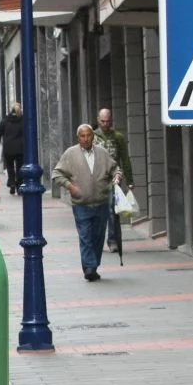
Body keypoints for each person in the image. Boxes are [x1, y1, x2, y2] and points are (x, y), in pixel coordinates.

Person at [51, 123, 119, 282]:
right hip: (81, 204)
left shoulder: (102, 152)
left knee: (98, 237)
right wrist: (70, 186)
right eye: (82, 136)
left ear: (93, 136)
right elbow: (56, 174)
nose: (86, 139)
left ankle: (93, 266)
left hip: (101, 202)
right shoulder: (70, 154)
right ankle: (89, 267)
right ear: (78, 138)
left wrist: (117, 177)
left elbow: (115, 169)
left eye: (88, 135)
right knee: (85, 236)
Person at [95, 107, 133, 253]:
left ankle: (112, 240)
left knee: (112, 210)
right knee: (98, 210)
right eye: (103, 121)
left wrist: (130, 180)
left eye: (108, 121)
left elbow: (125, 159)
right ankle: (98, 240)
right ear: (98, 120)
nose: (105, 124)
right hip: (97, 179)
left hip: (114, 178)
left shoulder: (117, 137)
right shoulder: (92, 136)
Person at [0, 104, 26, 196]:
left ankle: (12, 183)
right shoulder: (23, 120)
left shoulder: (5, 120)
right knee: (19, 167)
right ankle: (19, 185)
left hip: (8, 147)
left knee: (10, 167)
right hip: (20, 148)